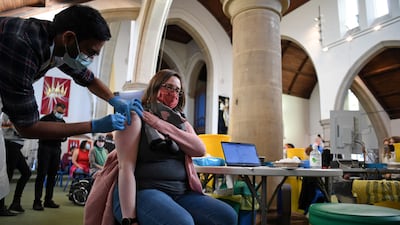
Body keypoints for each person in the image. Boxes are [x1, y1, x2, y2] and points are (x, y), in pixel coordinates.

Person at [0, 4, 144, 199]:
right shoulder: (23, 44)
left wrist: (114, 99)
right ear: (69, 37)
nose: (90, 58)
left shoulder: (59, 46)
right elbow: (27, 127)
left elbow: (89, 79)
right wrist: (93, 126)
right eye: (90, 52)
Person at [84, 69, 237, 225]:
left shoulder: (179, 121)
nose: (174, 93)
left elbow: (199, 149)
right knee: (182, 223)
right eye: (169, 87)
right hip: (145, 190)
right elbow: (126, 169)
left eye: (178, 90)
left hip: (180, 192)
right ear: (155, 87)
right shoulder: (137, 115)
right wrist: (130, 219)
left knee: (227, 216)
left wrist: (160, 124)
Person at [33, 103, 67, 210]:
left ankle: (48, 200)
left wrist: (63, 136)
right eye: (59, 112)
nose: (60, 114)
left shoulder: (63, 122)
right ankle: (37, 202)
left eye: (62, 113)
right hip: (45, 148)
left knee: (52, 176)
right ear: (54, 109)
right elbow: (38, 132)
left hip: (56, 149)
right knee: (41, 175)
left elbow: (65, 137)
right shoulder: (45, 119)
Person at [0, 113, 31, 216]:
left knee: (26, 173)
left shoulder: (21, 114)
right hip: (10, 144)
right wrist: (17, 128)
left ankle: (16, 203)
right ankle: (1, 207)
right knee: (6, 176)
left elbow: (24, 131)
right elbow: (4, 127)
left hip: (17, 146)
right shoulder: (7, 113)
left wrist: (15, 127)